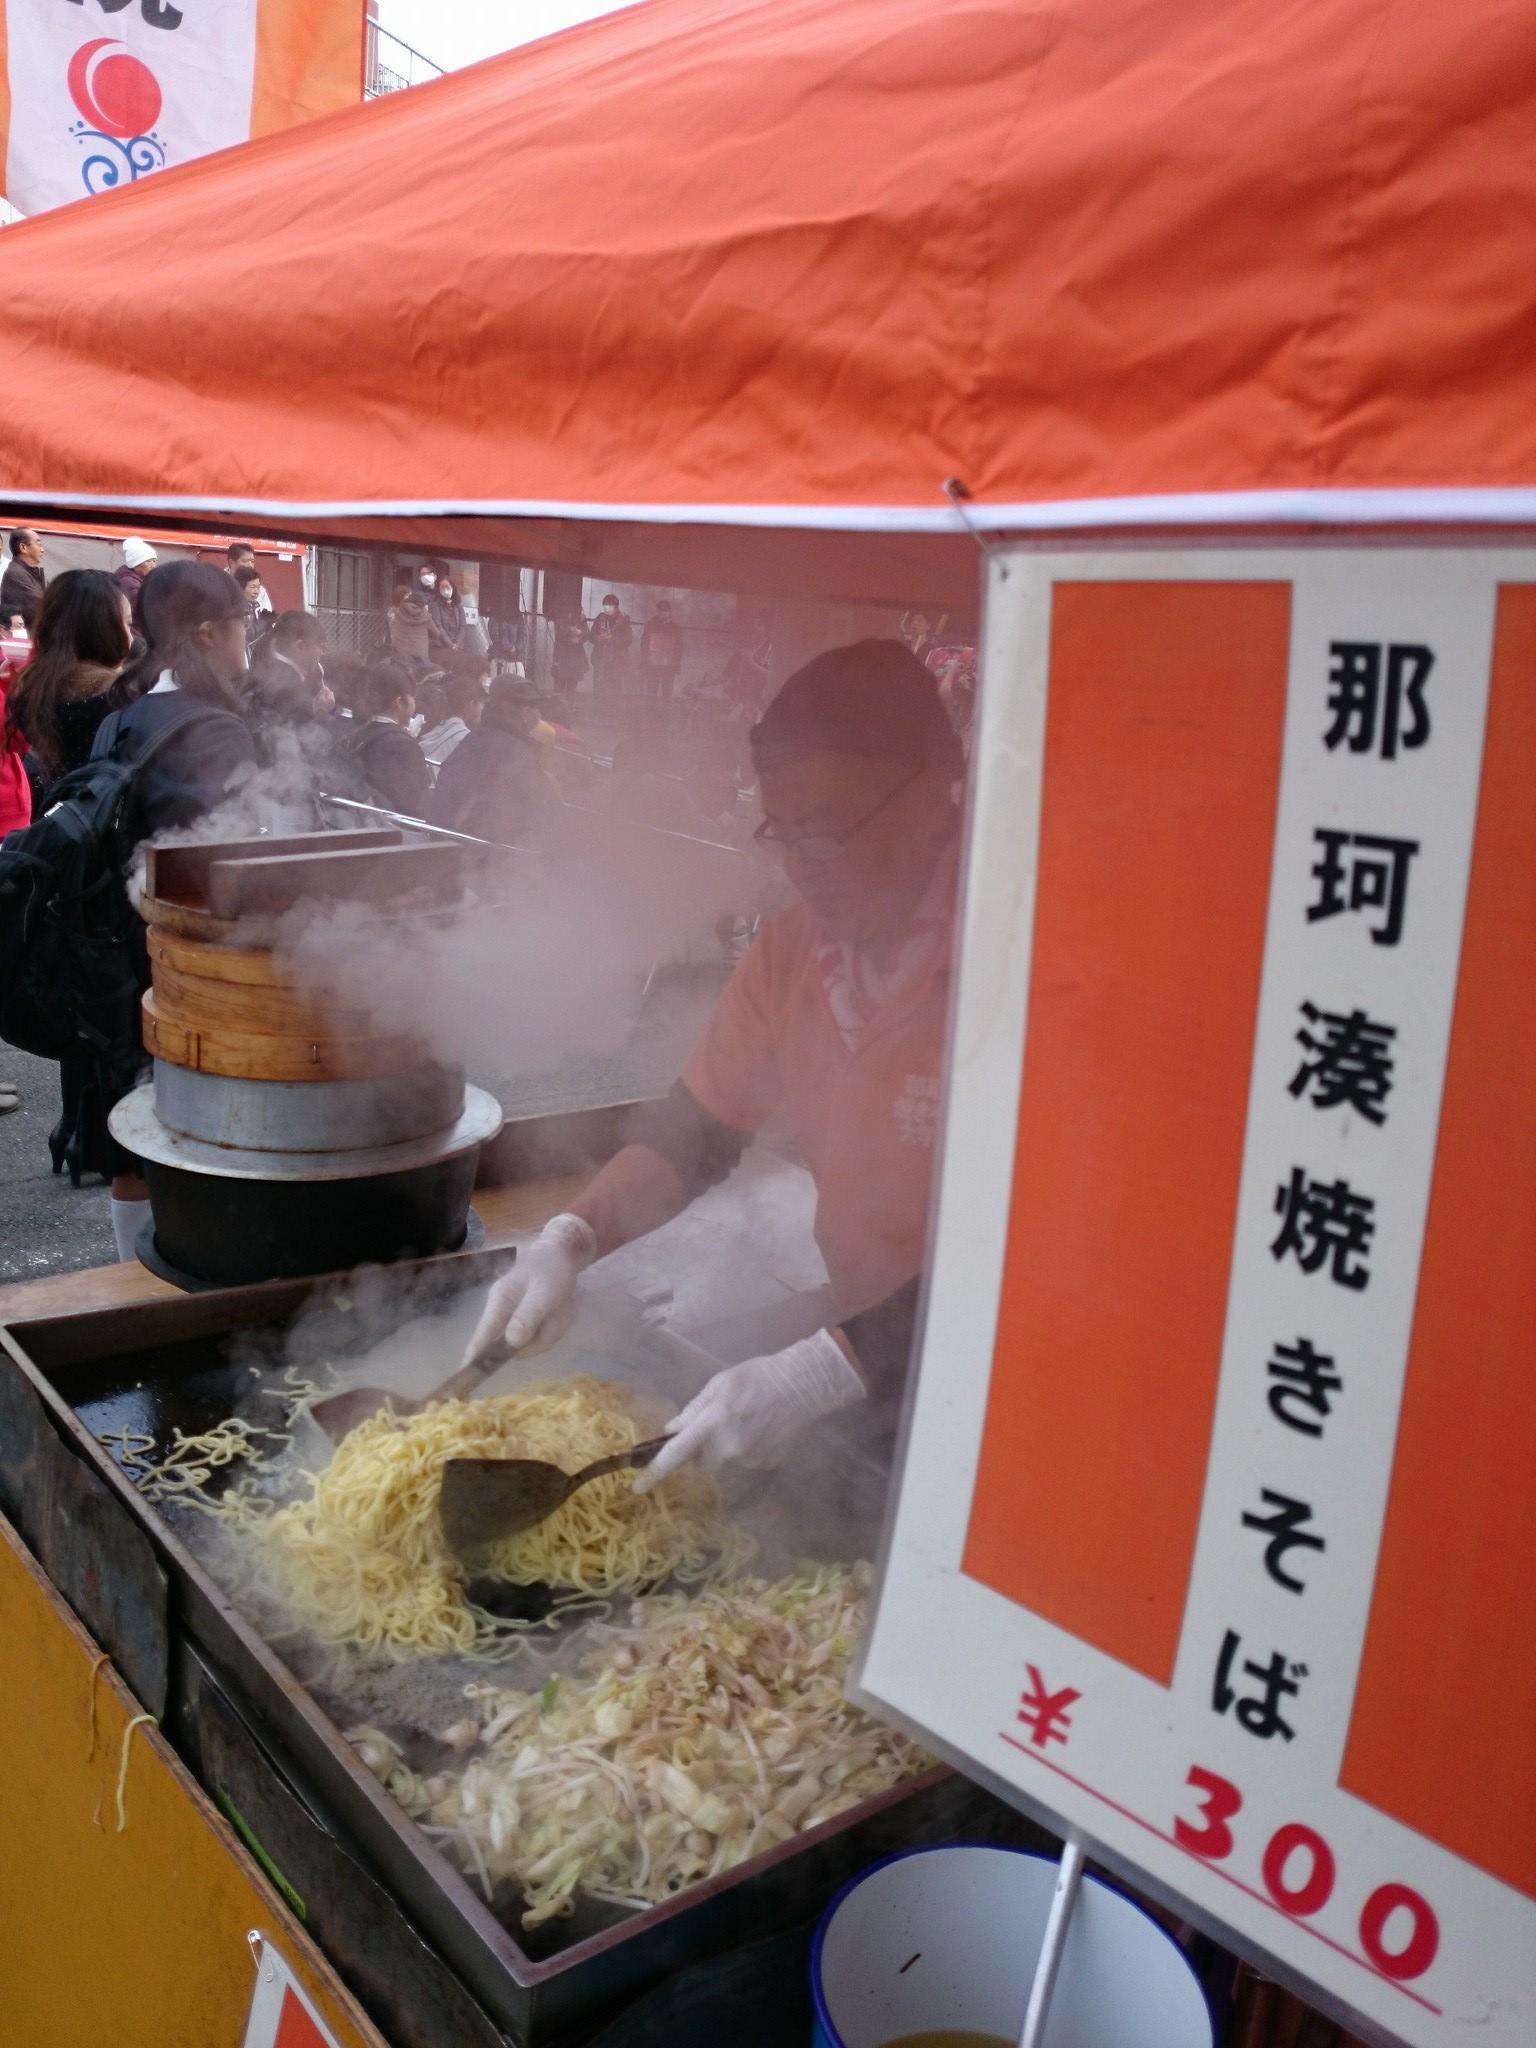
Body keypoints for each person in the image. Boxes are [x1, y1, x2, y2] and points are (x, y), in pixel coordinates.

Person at [469, 639, 963, 1484]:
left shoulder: (1030, 966)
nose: (801, 862)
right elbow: (692, 1132)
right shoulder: (795, 952)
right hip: (859, 1333)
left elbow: (1040, 1263)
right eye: (782, 828)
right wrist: (572, 1236)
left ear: (933, 798)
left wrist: (824, 1368)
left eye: (828, 827)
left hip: (993, 1375)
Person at [95, 562, 259, 1255]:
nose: (245, 645)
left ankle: (133, 1290)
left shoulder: (123, 717)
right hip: (183, 976)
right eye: (240, 628)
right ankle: (190, 1290)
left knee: (131, 1145)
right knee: (202, 1133)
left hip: (112, 961)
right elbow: (222, 877)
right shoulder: (215, 732)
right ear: (206, 634)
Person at [4, 569, 136, 1178]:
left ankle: (72, 1127)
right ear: (104, 624)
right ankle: (102, 1134)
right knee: (110, 1007)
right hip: (105, 861)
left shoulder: (33, 686)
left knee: (76, 998)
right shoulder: (116, 693)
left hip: (57, 855)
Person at [431, 674, 549, 842]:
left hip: (446, 846)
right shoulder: (516, 753)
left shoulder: (471, 741)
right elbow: (541, 815)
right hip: (492, 854)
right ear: (526, 711)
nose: (540, 716)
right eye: (537, 709)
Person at [345, 657, 432, 817]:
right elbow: (414, 804)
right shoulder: (404, 746)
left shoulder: (357, 734)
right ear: (399, 702)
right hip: (395, 832)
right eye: (412, 697)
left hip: (360, 823)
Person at [418, 653, 488, 771]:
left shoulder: (438, 724)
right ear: (472, 704)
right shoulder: (465, 738)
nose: (483, 709)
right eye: (481, 704)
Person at [587, 593, 632, 702]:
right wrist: (600, 638)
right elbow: (591, 636)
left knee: (615, 687)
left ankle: (612, 711)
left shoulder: (624, 619)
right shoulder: (600, 618)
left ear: (616, 607)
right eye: (605, 605)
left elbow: (628, 640)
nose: (606, 608)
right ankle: (597, 710)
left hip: (616, 661)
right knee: (598, 686)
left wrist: (612, 639)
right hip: (600, 659)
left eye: (609, 605)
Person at [2, 527, 46, 630]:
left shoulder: (26, 573)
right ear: (23, 548)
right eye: (38, 544)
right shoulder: (15, 574)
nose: (42, 550)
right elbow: (40, 607)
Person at [639, 598, 684, 700]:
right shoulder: (650, 625)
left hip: (669, 665)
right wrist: (644, 660)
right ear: (658, 611)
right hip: (652, 663)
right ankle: (651, 711)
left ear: (669, 612)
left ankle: (665, 712)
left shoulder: (675, 627)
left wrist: (676, 663)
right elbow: (644, 644)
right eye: (661, 610)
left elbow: (679, 647)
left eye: (666, 610)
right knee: (652, 690)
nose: (664, 613)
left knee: (667, 691)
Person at [389, 575, 433, 672]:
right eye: (407, 595)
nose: (410, 597)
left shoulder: (406, 610)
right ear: (400, 596)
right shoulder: (395, 611)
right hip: (399, 647)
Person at [115, 539, 157, 625]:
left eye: (154, 561)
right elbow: (147, 609)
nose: (153, 566)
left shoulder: (140, 579)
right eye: (148, 561)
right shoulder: (128, 583)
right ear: (135, 563)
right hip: (133, 633)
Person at [428, 571, 466, 661]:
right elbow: (438, 626)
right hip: (442, 646)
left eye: (447, 587)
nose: (445, 590)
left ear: (452, 587)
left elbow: (463, 626)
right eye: (442, 587)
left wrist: (457, 643)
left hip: (458, 646)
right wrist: (451, 645)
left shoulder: (458, 604)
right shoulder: (435, 604)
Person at [232, 564, 266, 646]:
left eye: (258, 587)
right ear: (240, 587)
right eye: (252, 587)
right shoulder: (235, 610)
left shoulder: (257, 607)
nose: (256, 591)